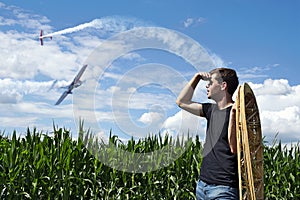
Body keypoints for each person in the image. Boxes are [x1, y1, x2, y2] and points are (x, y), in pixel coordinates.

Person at [176, 68, 239, 200]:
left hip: (224, 189)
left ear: (223, 85)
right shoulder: (210, 110)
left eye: (211, 82)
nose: (207, 85)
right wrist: (196, 78)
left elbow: (234, 148)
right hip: (202, 186)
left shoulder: (238, 113)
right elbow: (181, 102)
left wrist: (233, 115)